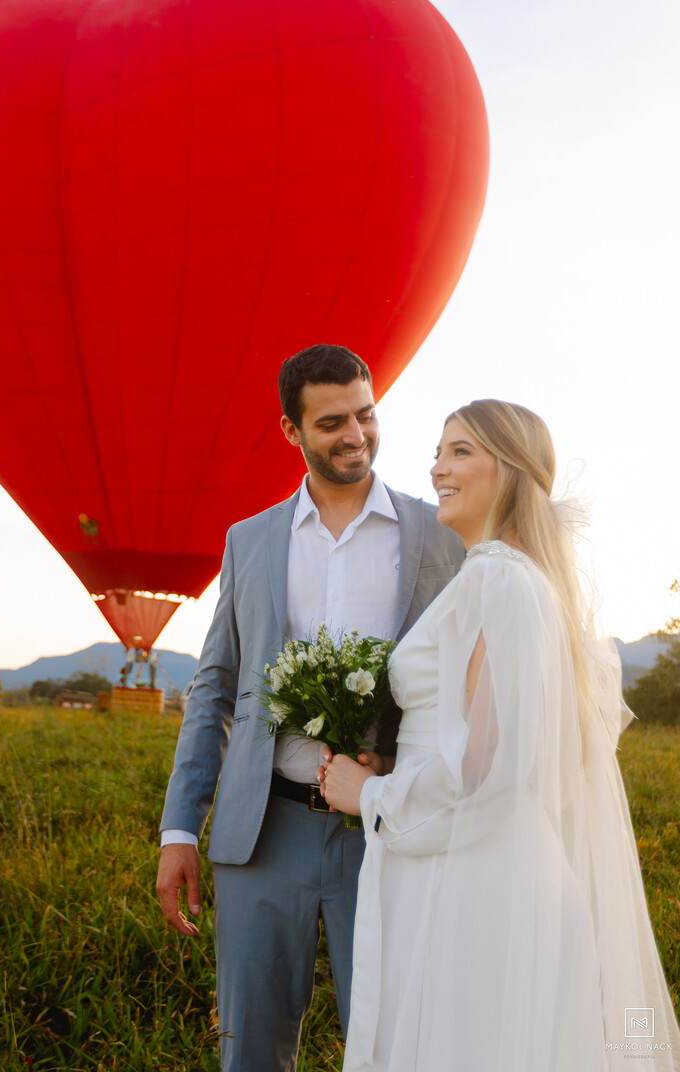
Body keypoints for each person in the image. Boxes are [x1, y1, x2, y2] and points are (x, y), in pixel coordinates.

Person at [321, 399, 680, 1071]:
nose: (437, 469)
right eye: (437, 452)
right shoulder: (519, 581)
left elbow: (487, 770)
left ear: (510, 470)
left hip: (475, 895)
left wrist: (369, 793)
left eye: (460, 451)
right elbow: (487, 738)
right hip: (496, 879)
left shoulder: (497, 580)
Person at [156, 344, 464, 1072]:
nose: (355, 434)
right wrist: (178, 827)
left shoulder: (443, 537)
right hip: (262, 834)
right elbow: (214, 689)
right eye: (331, 423)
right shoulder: (249, 541)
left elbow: (469, 685)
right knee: (250, 1052)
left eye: (365, 414)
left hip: (393, 833)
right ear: (292, 432)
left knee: (394, 1046)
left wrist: (403, 760)